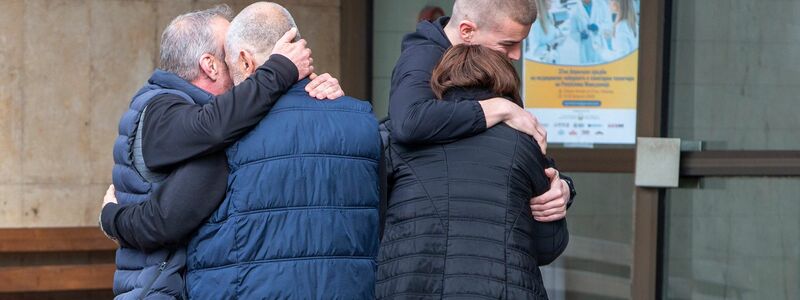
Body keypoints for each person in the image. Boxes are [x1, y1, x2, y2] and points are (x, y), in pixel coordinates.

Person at [99, 4, 343, 299]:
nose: (242, 61)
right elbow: (212, 127)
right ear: (210, 65)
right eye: (230, 53)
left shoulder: (205, 115)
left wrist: (312, 92)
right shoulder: (162, 110)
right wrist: (280, 69)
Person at [181, 3, 381, 299]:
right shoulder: (363, 120)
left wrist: (116, 216)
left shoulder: (227, 131)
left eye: (229, 64)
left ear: (246, 62)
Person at [377, 44, 568, 299]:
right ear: (506, 84)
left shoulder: (398, 140)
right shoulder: (524, 145)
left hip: (411, 286)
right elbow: (548, 246)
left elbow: (372, 225)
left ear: (440, 82)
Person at [388, 0, 575, 228]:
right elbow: (409, 121)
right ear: (467, 31)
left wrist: (562, 187)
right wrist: (500, 108)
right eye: (508, 44)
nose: (516, 55)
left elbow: (520, 149)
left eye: (521, 43)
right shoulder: (422, 56)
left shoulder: (490, 63)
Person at [568, 0, 613, 65]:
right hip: (586, 49)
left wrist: (598, 27)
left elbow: (609, 24)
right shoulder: (575, 10)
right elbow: (572, 33)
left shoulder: (601, 5)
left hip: (601, 46)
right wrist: (579, 35)